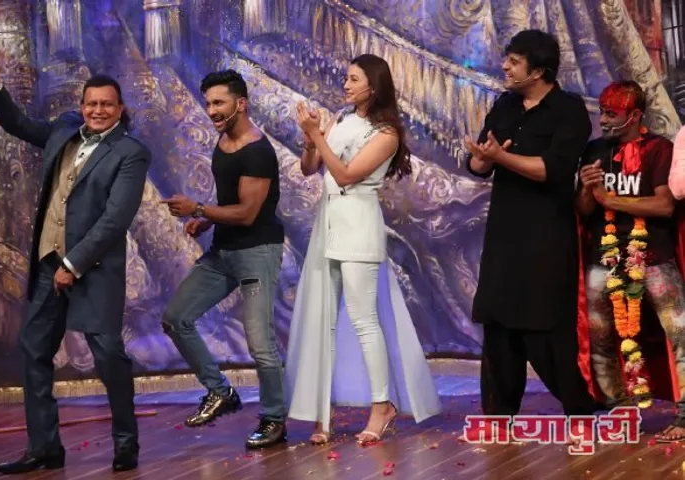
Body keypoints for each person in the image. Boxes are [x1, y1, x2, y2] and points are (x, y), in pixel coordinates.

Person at [0, 42, 150, 474]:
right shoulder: (65, 130)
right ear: (82, 105)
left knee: (108, 355)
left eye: (106, 104)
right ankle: (44, 448)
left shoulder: (130, 152)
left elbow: (114, 220)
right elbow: (19, 124)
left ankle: (126, 443)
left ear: (120, 109)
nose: (97, 110)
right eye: (91, 103)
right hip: (47, 264)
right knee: (34, 351)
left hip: (92, 270)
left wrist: (73, 265)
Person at [285, 53, 441, 446]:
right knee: (323, 318)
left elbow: (346, 175)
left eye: (354, 79)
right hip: (328, 223)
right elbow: (311, 168)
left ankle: (381, 405)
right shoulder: (341, 118)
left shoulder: (386, 134)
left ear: (374, 86)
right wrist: (310, 141)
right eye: (346, 77)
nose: (346, 84)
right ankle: (322, 415)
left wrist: (319, 136)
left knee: (363, 319)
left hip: (358, 226)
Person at [464, 30, 595, 417]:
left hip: (546, 234)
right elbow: (480, 164)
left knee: (545, 323)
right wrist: (481, 159)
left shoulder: (569, 111)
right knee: (498, 321)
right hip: (503, 233)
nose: (504, 66)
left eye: (514, 61)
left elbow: (553, 170)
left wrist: (501, 159)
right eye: (506, 58)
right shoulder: (505, 104)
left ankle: (579, 408)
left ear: (538, 71)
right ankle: (498, 415)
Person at [160, 70, 287, 449]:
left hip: (257, 253)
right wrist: (206, 220)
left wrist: (198, 208)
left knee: (260, 344)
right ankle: (220, 391)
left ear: (240, 104)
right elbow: (232, 199)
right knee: (176, 318)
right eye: (208, 103)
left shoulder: (257, 150)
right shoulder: (224, 140)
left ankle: (274, 418)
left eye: (219, 103)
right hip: (223, 252)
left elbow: (248, 213)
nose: (211, 110)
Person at [577, 80, 685, 442]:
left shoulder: (659, 148)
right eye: (602, 112)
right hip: (603, 260)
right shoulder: (594, 150)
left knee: (681, 335)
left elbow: (665, 205)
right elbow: (584, 210)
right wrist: (588, 189)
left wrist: (611, 200)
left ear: (635, 115)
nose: (604, 120)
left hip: (653, 258)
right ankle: (618, 413)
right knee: (601, 339)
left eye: (612, 114)